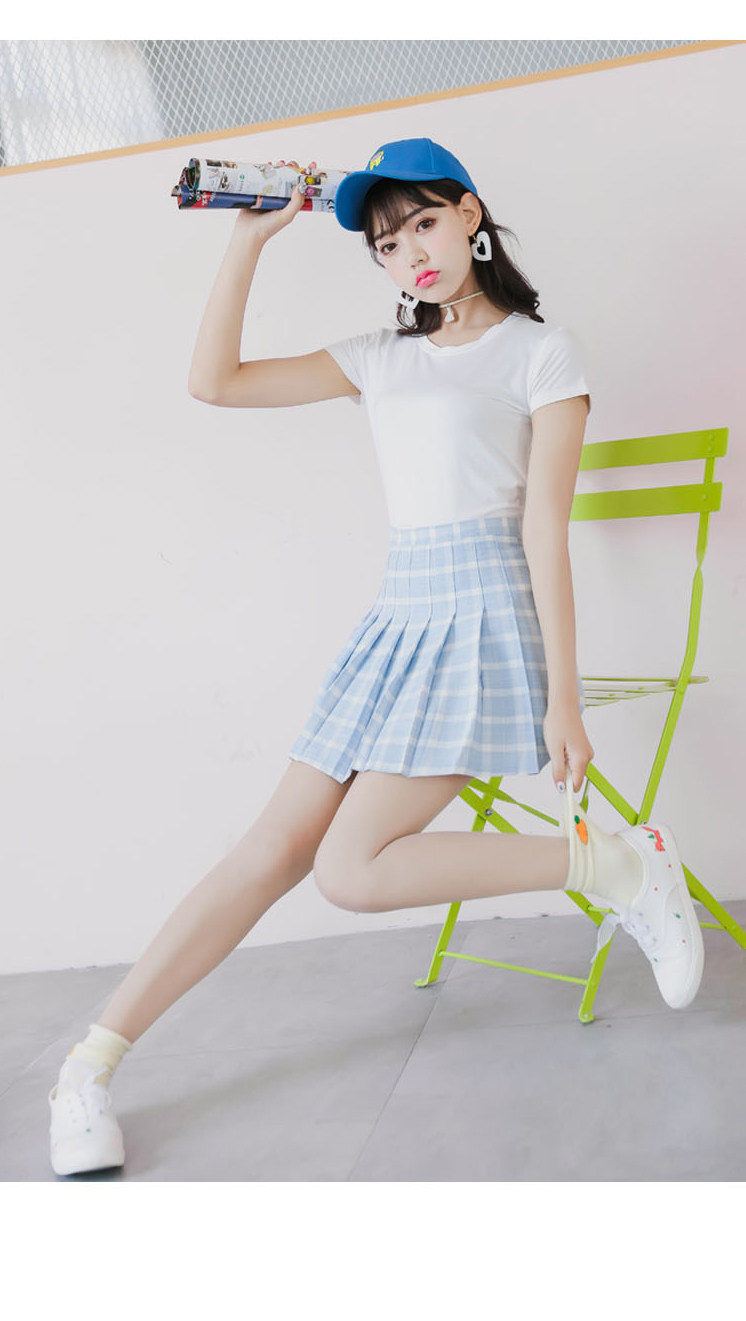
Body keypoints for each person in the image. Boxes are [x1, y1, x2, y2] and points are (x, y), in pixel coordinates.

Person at [48, 136, 704, 1177]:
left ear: (469, 213)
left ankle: (618, 862)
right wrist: (249, 240)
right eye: (388, 245)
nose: (411, 256)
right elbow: (212, 382)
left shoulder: (542, 353)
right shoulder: (379, 358)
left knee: (348, 870)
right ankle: (90, 1065)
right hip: (397, 621)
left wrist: (564, 699)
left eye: (424, 225)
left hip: (483, 621)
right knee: (270, 850)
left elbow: (544, 529)